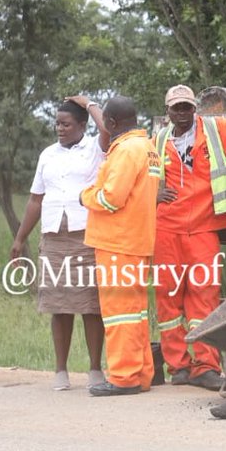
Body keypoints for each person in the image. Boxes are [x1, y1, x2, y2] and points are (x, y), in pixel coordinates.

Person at [153, 84, 226, 390]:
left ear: (195, 108)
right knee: (167, 298)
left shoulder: (216, 132)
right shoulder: (158, 141)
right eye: (177, 108)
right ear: (168, 111)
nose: (183, 112)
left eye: (187, 107)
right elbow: (134, 173)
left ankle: (205, 366)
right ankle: (179, 367)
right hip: (166, 230)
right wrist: (153, 191)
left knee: (204, 296)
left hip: (203, 229)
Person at [10, 97, 110, 391]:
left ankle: (94, 368)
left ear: (82, 125)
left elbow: (107, 128)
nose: (59, 128)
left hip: (86, 234)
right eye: (57, 123)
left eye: (66, 124)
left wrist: (90, 103)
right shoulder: (47, 155)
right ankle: (60, 370)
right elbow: (35, 200)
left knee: (91, 305)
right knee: (59, 305)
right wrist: (20, 239)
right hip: (53, 236)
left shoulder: (95, 148)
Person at [80, 96, 161, 396]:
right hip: (136, 241)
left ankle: (124, 376)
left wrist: (86, 195)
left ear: (112, 123)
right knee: (136, 312)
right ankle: (140, 374)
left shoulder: (126, 150)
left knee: (119, 312)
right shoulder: (148, 148)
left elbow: (111, 198)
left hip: (118, 242)